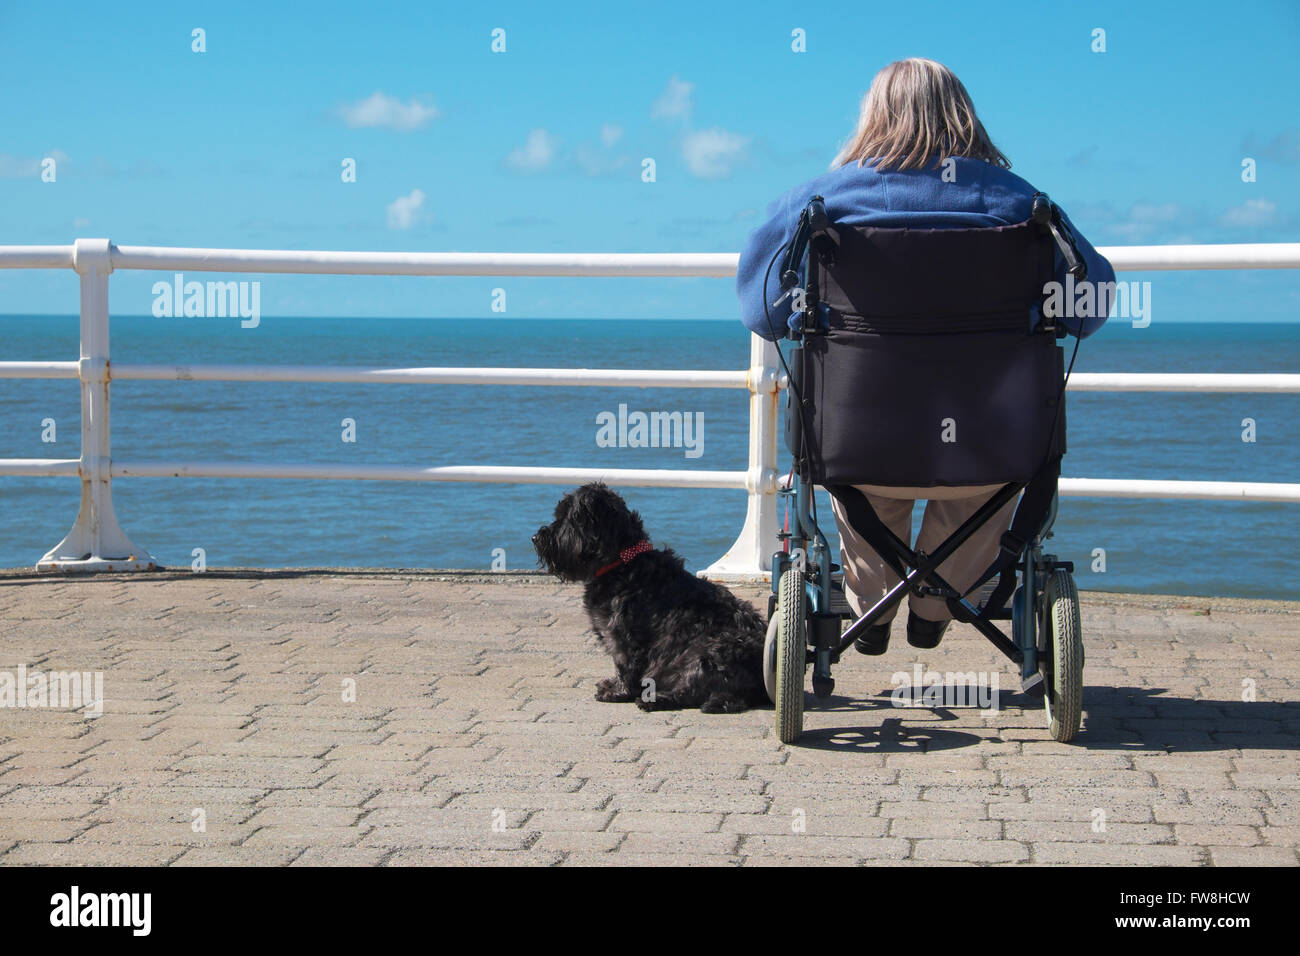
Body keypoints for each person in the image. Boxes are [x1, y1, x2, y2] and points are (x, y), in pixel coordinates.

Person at [736, 58, 1116, 654]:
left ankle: (874, 613)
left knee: (866, 490)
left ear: (873, 116)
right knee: (976, 492)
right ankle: (937, 605)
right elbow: (1089, 312)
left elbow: (763, 314)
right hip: (992, 443)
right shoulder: (1025, 206)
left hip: (859, 440)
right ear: (964, 115)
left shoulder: (818, 203)